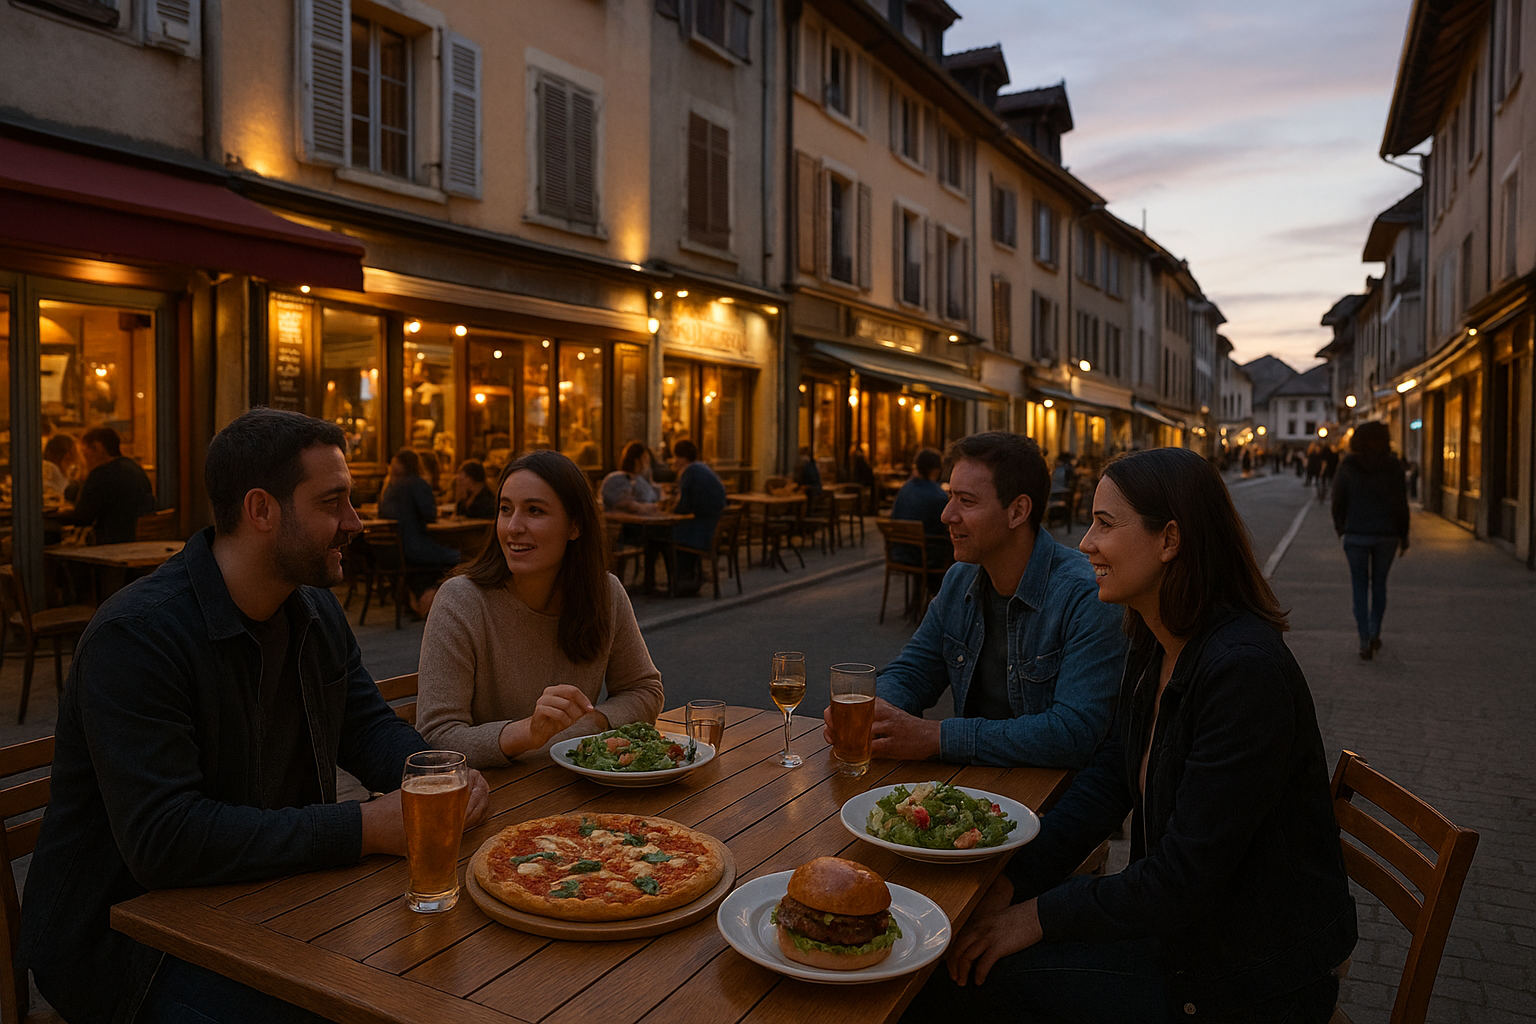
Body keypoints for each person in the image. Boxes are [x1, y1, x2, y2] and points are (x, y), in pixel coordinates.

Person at [18, 408, 492, 1024]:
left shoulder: (314, 611)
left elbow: (367, 726)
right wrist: (367, 828)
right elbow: (166, 840)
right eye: (333, 503)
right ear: (262, 510)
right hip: (126, 946)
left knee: (451, 972)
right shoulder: (137, 638)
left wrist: (434, 777)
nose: (354, 523)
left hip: (274, 904)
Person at [907, 446, 1355, 1024]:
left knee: (955, 980)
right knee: (956, 954)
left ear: (1169, 540)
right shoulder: (1158, 638)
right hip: (1180, 936)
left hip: (1240, 977)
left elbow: (1181, 879)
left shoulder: (1243, 673)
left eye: (1105, 524)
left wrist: (1036, 915)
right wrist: (1013, 881)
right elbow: (1108, 780)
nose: (1086, 542)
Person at [832, 432, 1126, 768]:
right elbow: (914, 672)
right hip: (973, 789)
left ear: (1017, 511)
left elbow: (1071, 734)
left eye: (966, 502)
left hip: (1055, 798)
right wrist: (872, 709)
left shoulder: (1086, 595)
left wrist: (934, 736)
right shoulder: (961, 578)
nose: (947, 515)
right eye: (950, 496)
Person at [417, 451, 664, 769]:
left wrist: (593, 722)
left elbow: (644, 690)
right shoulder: (461, 601)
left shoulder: (604, 593)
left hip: (577, 790)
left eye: (534, 510)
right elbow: (435, 739)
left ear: (574, 526)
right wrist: (528, 733)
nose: (513, 527)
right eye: (506, 509)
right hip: (491, 796)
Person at [1331, 420, 1409, 660]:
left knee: (1359, 586)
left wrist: (1341, 528)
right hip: (1386, 535)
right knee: (1379, 585)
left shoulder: (1349, 465)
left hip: (1356, 534)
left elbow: (1338, 500)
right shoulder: (1393, 466)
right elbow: (1400, 503)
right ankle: (1375, 631)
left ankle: (1364, 638)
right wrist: (1404, 535)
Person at [379, 447, 461, 618]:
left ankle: (419, 595)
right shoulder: (417, 484)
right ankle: (430, 597)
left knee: (433, 561)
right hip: (414, 548)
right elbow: (429, 514)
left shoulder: (389, 487)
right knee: (460, 557)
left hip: (390, 552)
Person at [63, 426, 156, 543]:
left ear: (98, 447)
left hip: (112, 544)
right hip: (139, 542)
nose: (83, 459)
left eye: (84, 451)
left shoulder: (100, 475)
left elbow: (82, 517)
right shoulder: (134, 468)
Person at [668, 439, 728, 596]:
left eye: (676, 457)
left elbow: (683, 506)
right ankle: (690, 579)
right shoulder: (703, 468)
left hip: (699, 532)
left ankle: (680, 582)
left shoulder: (689, 472)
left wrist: (670, 508)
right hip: (710, 527)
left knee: (664, 536)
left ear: (681, 458)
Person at [889, 447, 951, 569]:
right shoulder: (938, 496)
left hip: (899, 552)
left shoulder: (906, 488)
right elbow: (945, 527)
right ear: (935, 470)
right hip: (923, 556)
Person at [42, 432, 78, 499]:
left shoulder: (67, 470)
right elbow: (58, 492)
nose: (77, 455)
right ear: (67, 454)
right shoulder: (49, 467)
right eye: (74, 450)